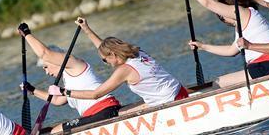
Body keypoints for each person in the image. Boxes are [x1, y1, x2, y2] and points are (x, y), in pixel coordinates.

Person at [51, 17, 189, 114]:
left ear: (113, 55)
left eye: (105, 60)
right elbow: (103, 48)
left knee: (119, 114)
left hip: (170, 104)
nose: (107, 63)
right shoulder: (138, 52)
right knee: (123, 111)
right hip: (180, 91)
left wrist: (64, 92)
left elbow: (95, 94)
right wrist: (86, 29)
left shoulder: (125, 70)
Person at [17, 22, 121, 133]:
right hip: (97, 113)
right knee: (46, 131)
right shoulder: (68, 79)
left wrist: (27, 34)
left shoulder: (74, 63)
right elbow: (58, 100)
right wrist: (33, 90)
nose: (47, 72)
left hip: (104, 109)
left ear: (55, 60)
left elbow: (45, 54)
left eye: (46, 67)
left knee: (55, 131)